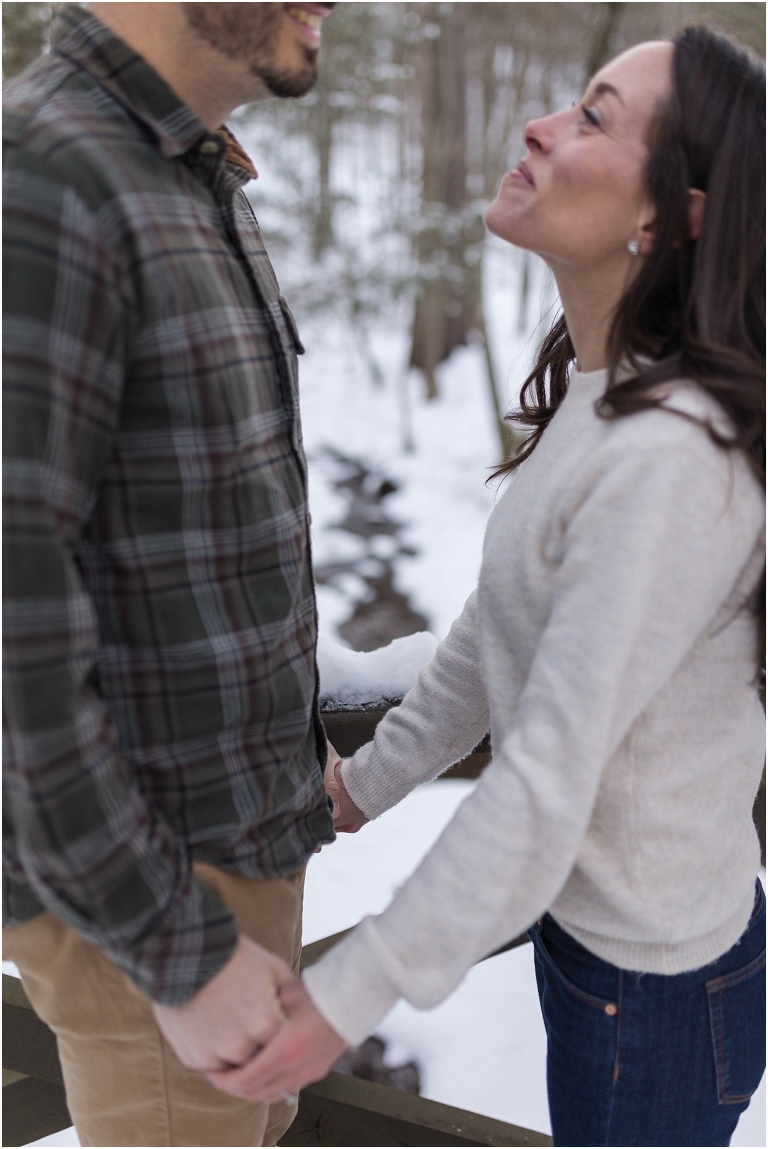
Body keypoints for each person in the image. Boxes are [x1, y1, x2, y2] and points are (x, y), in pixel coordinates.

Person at [204, 26, 766, 1148]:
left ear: (669, 218)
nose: (539, 125)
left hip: (655, 992)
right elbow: (497, 629)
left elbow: (546, 781)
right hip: (606, 954)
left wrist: (344, 996)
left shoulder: (671, 460)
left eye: (595, 117)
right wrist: (367, 783)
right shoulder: (612, 393)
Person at [3, 4, 340, 1146]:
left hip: (230, 859)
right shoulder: (44, 178)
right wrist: (178, 952)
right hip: (150, 908)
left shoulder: (182, 172)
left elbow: (185, 539)